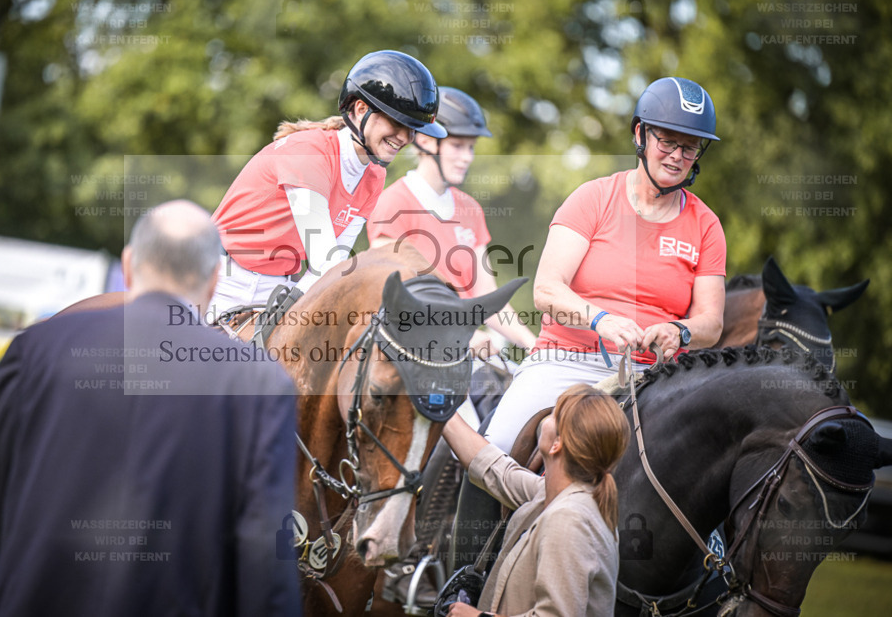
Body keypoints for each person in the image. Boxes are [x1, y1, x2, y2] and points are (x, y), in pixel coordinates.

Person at [0, 201, 301, 617]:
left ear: (129, 265)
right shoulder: (261, 386)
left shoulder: (36, 349)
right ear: (214, 281)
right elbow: (265, 557)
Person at [483, 77, 726, 454]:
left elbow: (711, 322)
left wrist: (680, 331)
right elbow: (546, 289)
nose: (677, 156)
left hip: (655, 375)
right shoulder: (593, 198)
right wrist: (601, 320)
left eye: (690, 147)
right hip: (567, 361)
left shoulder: (706, 225)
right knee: (497, 445)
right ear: (641, 135)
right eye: (667, 141)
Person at [208, 50, 446, 322]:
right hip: (220, 279)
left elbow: (334, 265)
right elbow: (325, 263)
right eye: (397, 122)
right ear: (361, 110)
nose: (406, 137)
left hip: (276, 287)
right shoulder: (310, 152)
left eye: (413, 128)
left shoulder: (374, 175)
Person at [367, 86, 537, 352]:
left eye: (471, 147)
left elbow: (485, 296)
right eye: (457, 146)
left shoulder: (470, 208)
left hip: (463, 347)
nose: (467, 157)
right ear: (426, 141)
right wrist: (459, 336)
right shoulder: (394, 203)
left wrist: (533, 345)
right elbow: (390, 295)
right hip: (415, 350)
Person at [441, 384, 630, 616]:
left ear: (557, 444)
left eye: (553, 415)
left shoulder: (569, 520)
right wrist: (441, 410)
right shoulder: (560, 495)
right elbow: (498, 471)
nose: (545, 419)